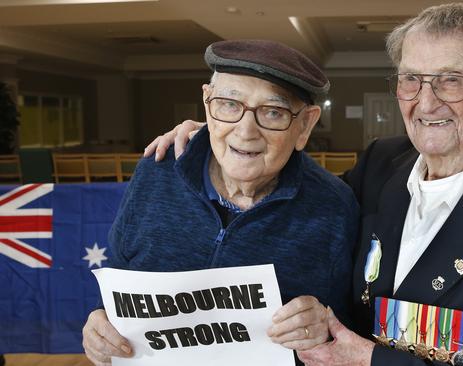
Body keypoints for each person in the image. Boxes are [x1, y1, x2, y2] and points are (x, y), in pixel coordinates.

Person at [146, 4, 463, 365]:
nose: (425, 101)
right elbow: (290, 209)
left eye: (451, 81)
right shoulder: (382, 164)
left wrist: (372, 361)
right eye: (410, 79)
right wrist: (217, 140)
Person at [81, 39, 359, 365]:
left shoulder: (333, 206)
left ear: (305, 125)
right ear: (207, 103)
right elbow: (117, 275)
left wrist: (324, 326)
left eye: (272, 112)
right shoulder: (155, 173)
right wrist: (98, 322)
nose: (245, 132)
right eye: (229, 104)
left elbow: (347, 323)